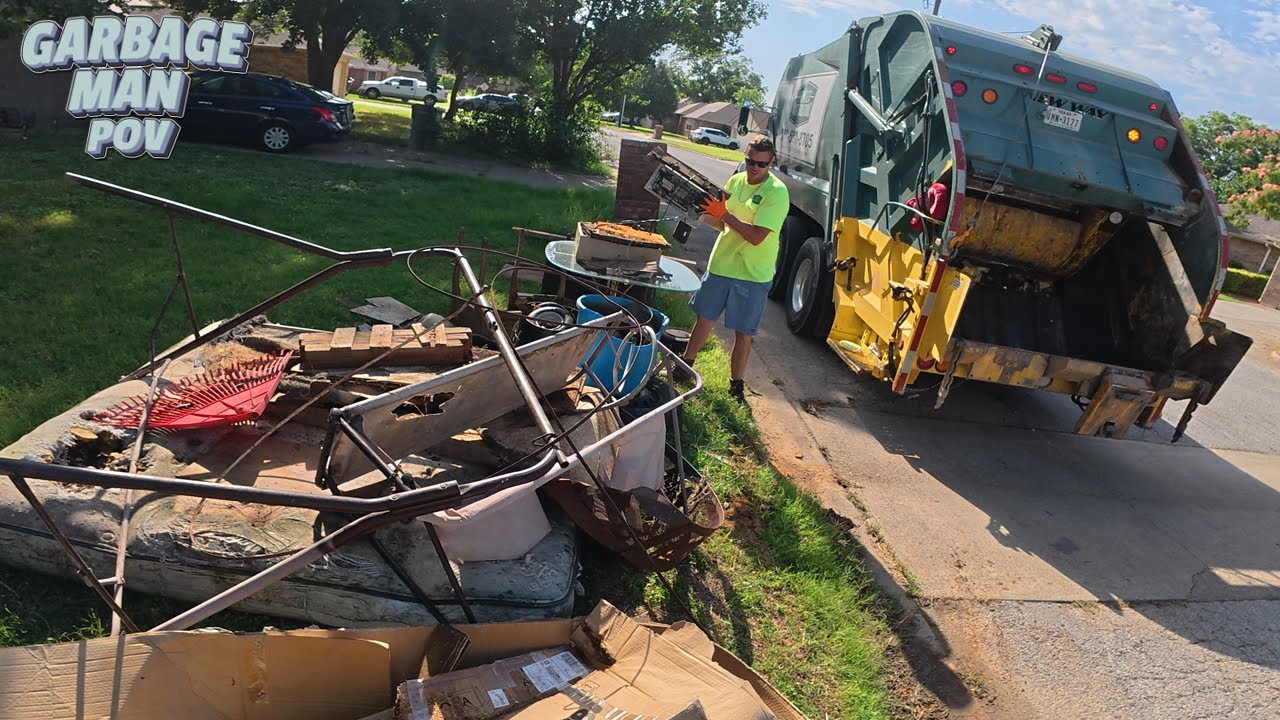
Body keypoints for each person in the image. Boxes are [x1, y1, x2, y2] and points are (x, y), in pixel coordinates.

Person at [680, 134, 789, 405]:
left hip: (753, 273)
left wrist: (724, 214)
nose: (754, 168)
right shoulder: (735, 181)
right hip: (722, 264)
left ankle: (736, 387)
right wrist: (705, 214)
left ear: (771, 163)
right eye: (750, 161)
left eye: (761, 164)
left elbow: (756, 236)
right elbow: (722, 224)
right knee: (704, 318)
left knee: (744, 332)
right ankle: (684, 367)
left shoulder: (777, 193)